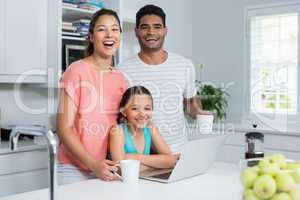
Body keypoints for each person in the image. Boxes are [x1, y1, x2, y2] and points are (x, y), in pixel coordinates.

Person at [119, 5, 211, 153]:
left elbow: (190, 104)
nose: (151, 32)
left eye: (157, 27)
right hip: (143, 155)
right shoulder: (122, 70)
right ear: (136, 31)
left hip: (178, 151)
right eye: (144, 27)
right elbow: (121, 115)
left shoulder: (184, 65)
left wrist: (200, 112)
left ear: (165, 31)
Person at [57, 9, 127, 184]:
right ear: (91, 37)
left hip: (106, 167)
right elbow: (64, 128)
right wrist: (93, 164)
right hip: (72, 168)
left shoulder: (121, 79)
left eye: (115, 29)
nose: (109, 34)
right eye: (102, 29)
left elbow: (122, 128)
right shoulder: (76, 70)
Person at [109, 86, 179, 171]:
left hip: (146, 181)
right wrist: (157, 165)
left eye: (147, 108)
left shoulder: (150, 127)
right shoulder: (117, 131)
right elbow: (121, 169)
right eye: (135, 108)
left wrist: (136, 157)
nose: (142, 114)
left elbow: (171, 161)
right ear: (124, 111)